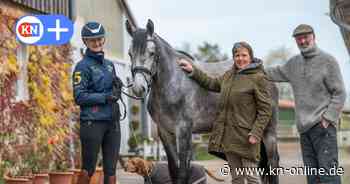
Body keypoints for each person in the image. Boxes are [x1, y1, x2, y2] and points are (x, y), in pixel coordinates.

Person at [178, 41, 272, 184]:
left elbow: (265, 110)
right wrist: (193, 71)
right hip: (228, 136)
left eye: (244, 55)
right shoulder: (229, 75)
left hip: (247, 137)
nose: (240, 58)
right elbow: (212, 83)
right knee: (237, 178)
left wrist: (256, 132)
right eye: (237, 55)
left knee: (252, 178)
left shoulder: (258, 78)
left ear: (251, 57)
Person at [265, 24, 346, 184]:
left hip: (323, 128)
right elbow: (274, 72)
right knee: (312, 176)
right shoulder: (293, 64)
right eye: (298, 38)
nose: (302, 41)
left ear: (313, 37)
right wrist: (252, 68)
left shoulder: (328, 61)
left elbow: (340, 93)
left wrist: (328, 118)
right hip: (304, 130)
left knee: (328, 174)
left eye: (305, 37)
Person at [73, 22, 122, 184]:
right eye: (92, 40)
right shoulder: (82, 67)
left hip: (112, 123)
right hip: (92, 122)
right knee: (89, 168)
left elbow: (112, 94)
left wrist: (117, 89)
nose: (97, 43)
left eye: (100, 39)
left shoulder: (109, 65)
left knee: (111, 170)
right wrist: (105, 97)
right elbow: (79, 96)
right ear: (85, 42)